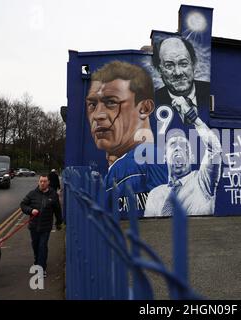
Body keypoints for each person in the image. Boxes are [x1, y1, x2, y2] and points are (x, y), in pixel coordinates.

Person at [86, 60, 167, 213]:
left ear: (144, 108)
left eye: (111, 102)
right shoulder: (119, 167)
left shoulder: (134, 165)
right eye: (92, 105)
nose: (97, 115)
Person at [144, 97, 222, 217]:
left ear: (191, 157)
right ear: (164, 157)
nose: (178, 148)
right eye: (173, 144)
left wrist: (192, 116)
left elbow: (215, 149)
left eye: (183, 145)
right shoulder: (155, 194)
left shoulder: (202, 181)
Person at [152, 37, 210, 125]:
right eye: (169, 66)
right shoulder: (151, 104)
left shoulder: (211, 91)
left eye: (183, 64)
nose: (178, 73)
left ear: (194, 64)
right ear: (159, 70)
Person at [20, 175, 63, 277]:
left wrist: (59, 223)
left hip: (46, 226)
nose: (42, 183)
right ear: (38, 182)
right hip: (33, 226)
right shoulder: (32, 194)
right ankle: (37, 260)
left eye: (44, 181)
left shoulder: (53, 195)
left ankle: (41, 268)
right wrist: (31, 210)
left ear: (48, 182)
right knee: (35, 246)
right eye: (41, 181)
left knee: (42, 246)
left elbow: (57, 210)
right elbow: (23, 205)